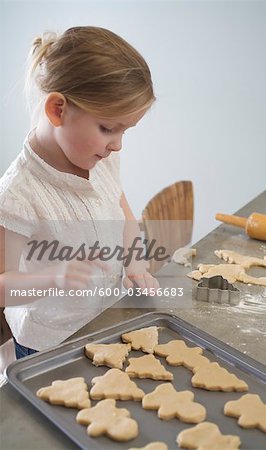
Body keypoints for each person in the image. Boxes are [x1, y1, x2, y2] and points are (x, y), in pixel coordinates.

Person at [0, 26, 159, 359]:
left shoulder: (102, 159)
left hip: (104, 319)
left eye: (124, 131)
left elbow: (125, 218)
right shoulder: (17, 195)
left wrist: (136, 267)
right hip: (48, 343)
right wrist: (54, 277)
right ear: (58, 110)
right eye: (107, 128)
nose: (117, 144)